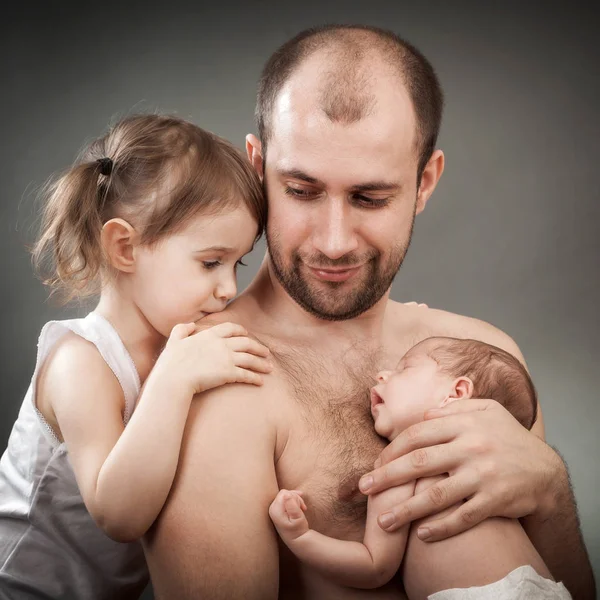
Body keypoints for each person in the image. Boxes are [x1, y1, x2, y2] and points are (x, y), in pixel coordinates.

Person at [143, 25, 595, 599]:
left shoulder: (486, 356)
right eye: (302, 191)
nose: (334, 242)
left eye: (369, 198)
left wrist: (551, 493)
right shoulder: (213, 378)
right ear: (258, 168)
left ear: (425, 183)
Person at [0, 114, 271, 600]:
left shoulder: (179, 344)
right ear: (125, 247)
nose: (229, 288)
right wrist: (171, 382)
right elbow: (119, 515)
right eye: (210, 262)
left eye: (238, 263)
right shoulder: (80, 362)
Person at [269, 337, 571, 598]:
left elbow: (373, 567)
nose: (383, 375)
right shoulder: (501, 476)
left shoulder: (405, 465)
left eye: (405, 369)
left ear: (457, 392)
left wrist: (300, 536)